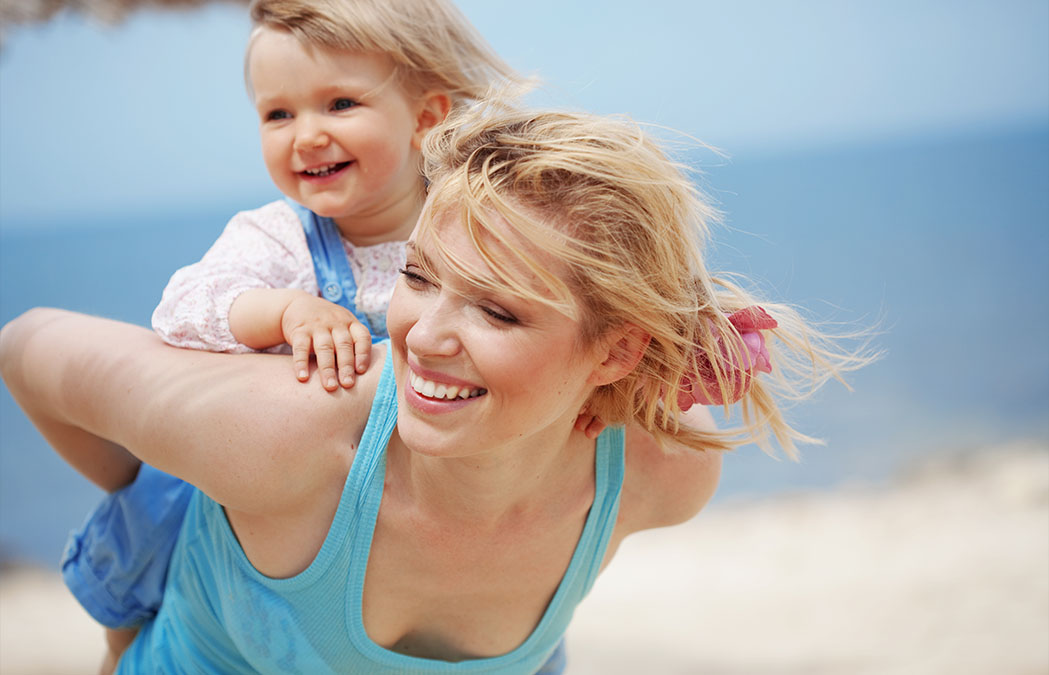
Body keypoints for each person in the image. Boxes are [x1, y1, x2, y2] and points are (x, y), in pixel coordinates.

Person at [0, 102, 869, 673]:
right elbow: (27, 344)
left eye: (497, 311)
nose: (424, 335)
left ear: (614, 354)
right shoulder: (284, 437)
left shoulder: (660, 472)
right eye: (418, 276)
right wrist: (142, 491)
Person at [54, 0, 521, 669]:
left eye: (338, 104)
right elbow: (184, 305)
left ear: (425, 117)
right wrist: (282, 311)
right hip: (275, 502)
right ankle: (124, 641)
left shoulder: (478, 222)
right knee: (159, 540)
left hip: (417, 492)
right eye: (278, 114)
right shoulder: (280, 238)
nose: (305, 135)